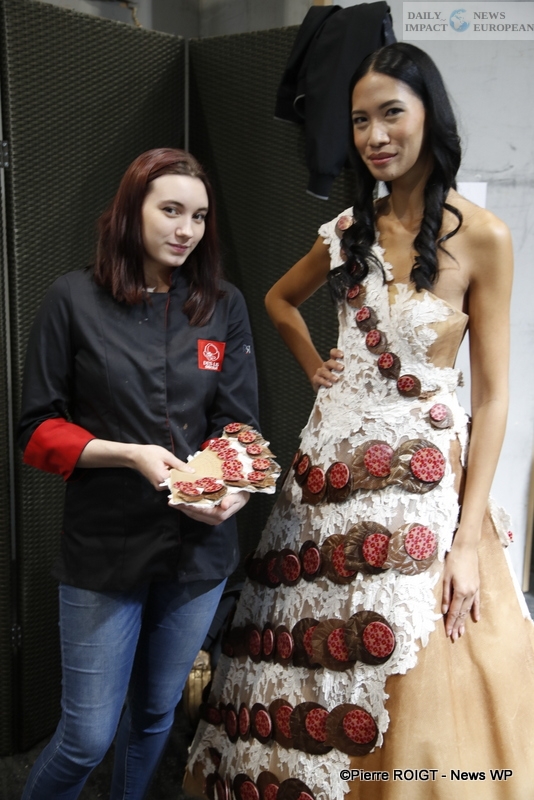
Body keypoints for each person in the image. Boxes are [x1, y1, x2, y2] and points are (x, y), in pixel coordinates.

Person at [184, 44, 534, 799]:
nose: (375, 135)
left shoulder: (485, 237)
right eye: (359, 120)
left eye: (391, 114)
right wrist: (316, 364)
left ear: (430, 116)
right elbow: (278, 300)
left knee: (414, 651)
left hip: (423, 487)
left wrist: (465, 543)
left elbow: (493, 398)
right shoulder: (348, 230)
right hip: (327, 477)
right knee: (307, 645)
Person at [18, 148, 260, 800]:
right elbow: (36, 428)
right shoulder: (72, 299)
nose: (187, 229)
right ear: (131, 211)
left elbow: (239, 426)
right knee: (86, 737)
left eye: (199, 216)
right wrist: (129, 454)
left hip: (199, 548)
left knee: (156, 714)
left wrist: (233, 490)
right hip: (105, 544)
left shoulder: (223, 305)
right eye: (171, 210)